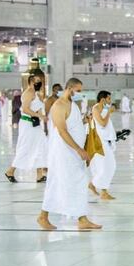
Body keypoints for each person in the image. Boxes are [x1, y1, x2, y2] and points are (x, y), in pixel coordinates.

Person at [37, 78, 101, 231]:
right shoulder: (58, 106)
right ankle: (47, 216)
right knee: (63, 182)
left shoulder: (72, 105)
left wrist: (85, 121)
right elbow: (62, 131)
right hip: (64, 152)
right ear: (70, 88)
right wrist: (79, 150)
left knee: (73, 182)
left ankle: (79, 218)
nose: (80, 94)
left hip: (73, 152)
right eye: (78, 91)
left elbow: (73, 125)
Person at [5, 75, 47, 183]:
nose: (39, 83)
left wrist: (41, 116)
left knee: (41, 146)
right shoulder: (28, 93)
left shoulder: (35, 93)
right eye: (37, 81)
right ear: (31, 81)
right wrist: (40, 116)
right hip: (28, 123)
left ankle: (39, 175)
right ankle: (10, 171)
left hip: (35, 124)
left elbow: (36, 108)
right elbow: (25, 109)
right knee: (25, 147)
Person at [89, 90, 117, 200]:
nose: (110, 101)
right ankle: (104, 192)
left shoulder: (105, 108)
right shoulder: (96, 108)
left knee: (110, 165)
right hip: (99, 141)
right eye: (109, 98)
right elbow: (102, 123)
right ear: (103, 99)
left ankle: (93, 184)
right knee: (105, 166)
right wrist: (109, 112)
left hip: (107, 140)